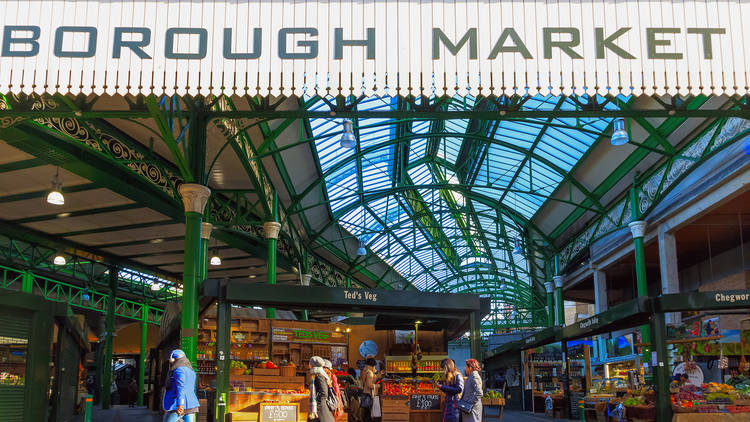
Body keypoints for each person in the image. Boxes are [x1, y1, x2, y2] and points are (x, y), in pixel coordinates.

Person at [162, 349, 200, 422]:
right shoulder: (191, 370)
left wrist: (180, 405)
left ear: (173, 359)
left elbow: (181, 388)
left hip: (177, 405)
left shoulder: (178, 370)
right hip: (191, 405)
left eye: (170, 359)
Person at [309, 356, 335, 422]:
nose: (308, 364)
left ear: (312, 364)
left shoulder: (319, 376)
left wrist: (318, 403)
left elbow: (324, 392)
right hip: (319, 408)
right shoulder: (316, 374)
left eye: (309, 363)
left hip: (321, 409)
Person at [359, 357, 378, 422]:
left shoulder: (365, 371)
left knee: (366, 413)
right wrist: (378, 386)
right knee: (368, 414)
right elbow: (369, 385)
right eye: (374, 366)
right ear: (372, 365)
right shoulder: (369, 373)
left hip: (365, 393)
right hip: (368, 395)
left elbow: (364, 382)